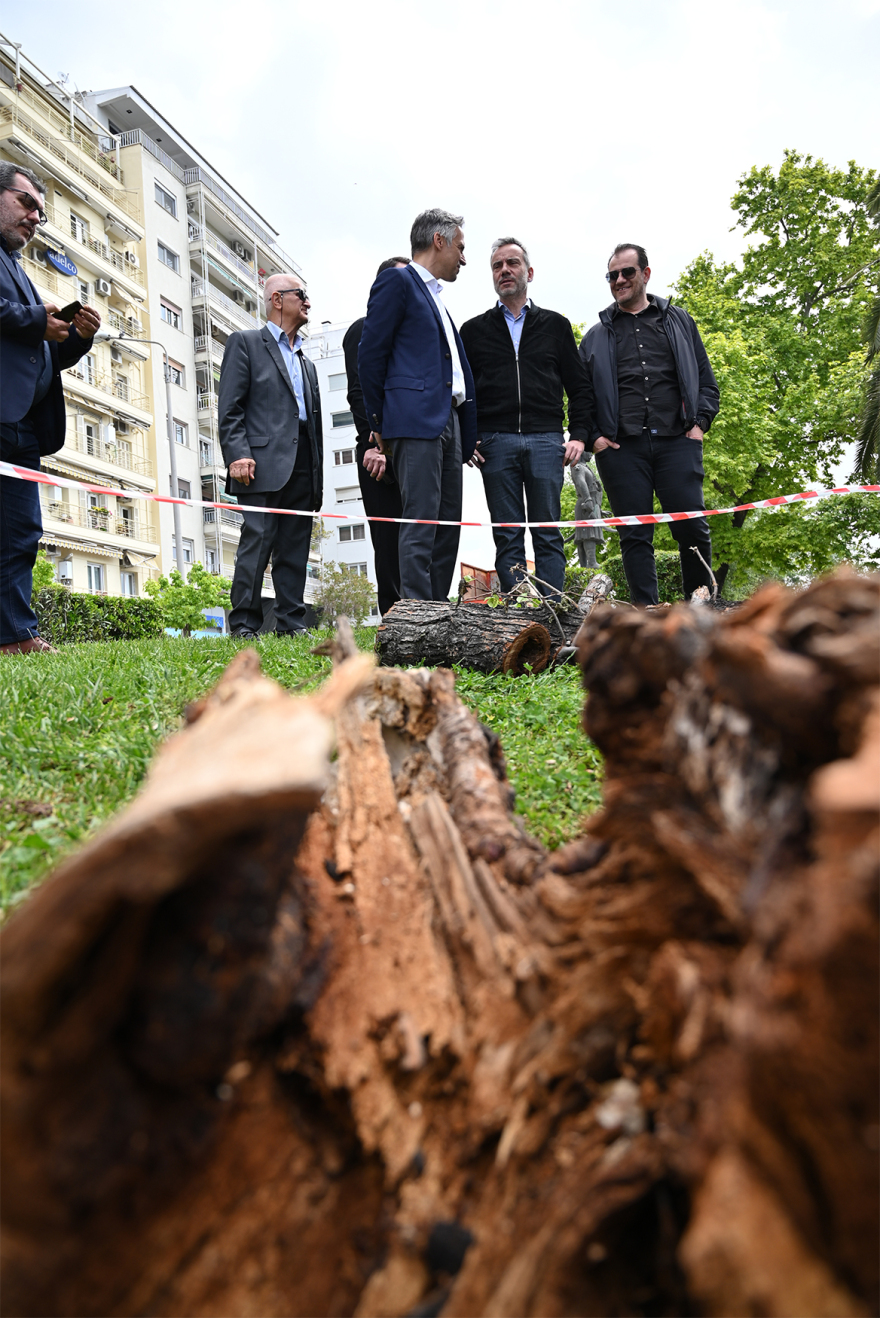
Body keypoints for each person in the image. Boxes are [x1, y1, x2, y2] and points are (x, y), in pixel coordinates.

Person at [579, 243, 719, 605]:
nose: (620, 280)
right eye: (612, 275)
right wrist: (595, 438)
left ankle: (700, 610)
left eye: (627, 272)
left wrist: (700, 424)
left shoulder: (679, 320)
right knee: (634, 536)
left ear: (646, 273)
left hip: (678, 440)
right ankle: (647, 615)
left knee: (692, 527)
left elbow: (706, 379)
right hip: (622, 449)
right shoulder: (595, 336)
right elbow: (582, 396)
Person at [0, 163, 100, 655]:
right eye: (26, 203)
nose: (36, 216)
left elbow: (40, 352)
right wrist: (38, 319)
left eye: (41, 209)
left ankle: (14, 635)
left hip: (22, 426)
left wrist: (75, 335)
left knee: (20, 533)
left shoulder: (16, 266)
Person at [460, 238, 594, 597]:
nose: (505, 270)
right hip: (494, 443)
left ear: (529, 272)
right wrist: (466, 437)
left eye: (512, 263)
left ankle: (553, 610)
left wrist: (579, 434)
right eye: (497, 265)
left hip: (547, 440)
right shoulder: (472, 332)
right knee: (507, 533)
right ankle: (519, 614)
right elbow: (460, 390)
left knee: (548, 531)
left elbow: (580, 386)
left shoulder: (555, 325)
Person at [358, 209, 477, 602]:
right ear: (438, 241)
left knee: (447, 526)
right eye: (460, 247)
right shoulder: (398, 281)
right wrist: (378, 421)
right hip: (413, 421)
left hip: (450, 422)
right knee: (421, 521)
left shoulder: (436, 297)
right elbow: (371, 354)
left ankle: (437, 612)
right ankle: (416, 615)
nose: (463, 258)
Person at [218, 272, 323, 636]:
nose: (308, 302)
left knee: (295, 547)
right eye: (302, 294)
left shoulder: (306, 363)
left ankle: (291, 623)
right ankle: (244, 624)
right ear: (277, 300)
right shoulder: (245, 343)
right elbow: (229, 408)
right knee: (257, 543)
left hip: (303, 464)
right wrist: (237, 454)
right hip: (258, 465)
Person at [342, 257, 409, 616]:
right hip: (378, 450)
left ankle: (424, 609)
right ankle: (394, 615)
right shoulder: (362, 330)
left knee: (421, 535)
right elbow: (359, 393)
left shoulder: (416, 331)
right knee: (388, 540)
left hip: (416, 449)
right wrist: (373, 443)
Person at [571, 454, 604, 569]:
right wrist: (588, 499)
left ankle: (588, 564)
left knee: (588, 533)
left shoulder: (585, 467)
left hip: (591, 503)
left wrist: (598, 508)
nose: (591, 454)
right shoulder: (578, 468)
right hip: (586, 504)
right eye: (588, 451)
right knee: (587, 534)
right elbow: (581, 482)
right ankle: (591, 562)